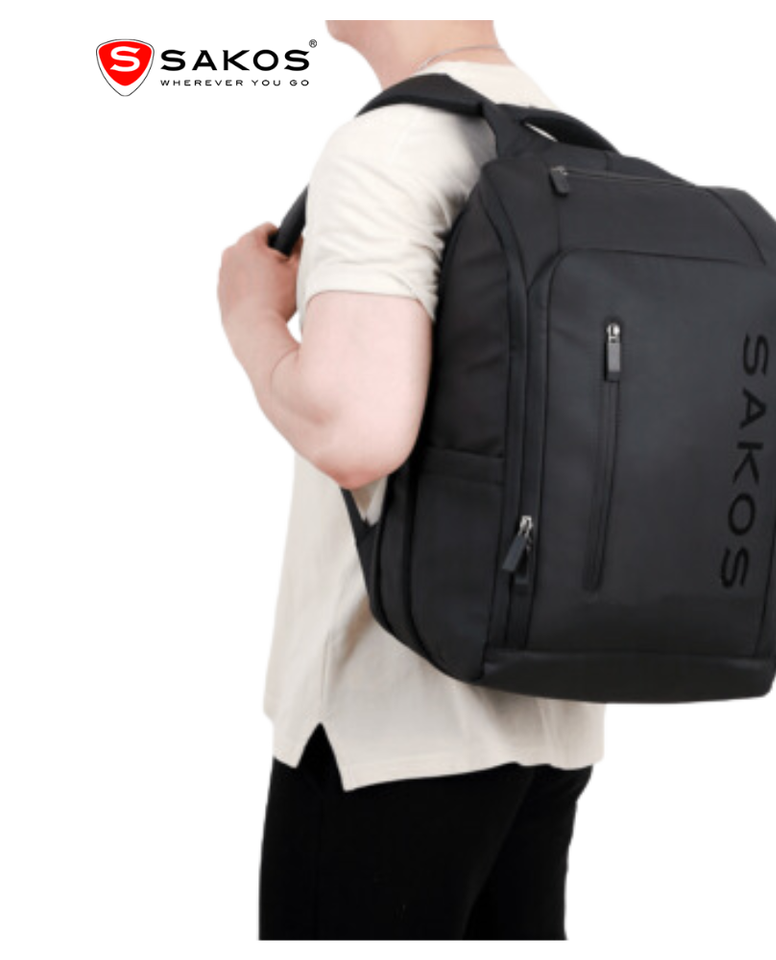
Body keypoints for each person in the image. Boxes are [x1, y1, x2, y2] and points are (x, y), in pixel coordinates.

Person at [215, 19, 611, 942]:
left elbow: (357, 431)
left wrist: (246, 314)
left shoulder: (387, 146)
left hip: (385, 725)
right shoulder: (567, 137)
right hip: (551, 718)